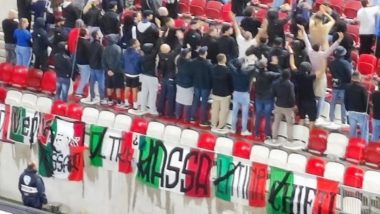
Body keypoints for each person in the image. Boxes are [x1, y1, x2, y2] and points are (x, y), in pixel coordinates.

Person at [299, 24, 344, 119]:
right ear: (319, 48)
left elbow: (306, 41)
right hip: (321, 76)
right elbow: (332, 49)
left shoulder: (310, 52)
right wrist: (339, 40)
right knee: (321, 98)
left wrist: (303, 31)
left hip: (312, 75)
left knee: (313, 97)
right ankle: (317, 116)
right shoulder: (322, 55)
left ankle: (312, 114)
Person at [253, 58, 281, 140]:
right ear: (265, 65)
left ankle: (257, 133)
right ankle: (267, 134)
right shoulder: (269, 74)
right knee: (267, 116)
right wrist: (276, 65)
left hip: (258, 98)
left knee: (258, 115)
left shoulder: (256, 73)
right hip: (268, 98)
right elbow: (280, 74)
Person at [270, 70, 298, 149]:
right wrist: (292, 105)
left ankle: (274, 138)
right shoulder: (290, 84)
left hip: (278, 105)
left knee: (276, 122)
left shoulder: (275, 83)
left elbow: (273, 94)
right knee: (289, 123)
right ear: (289, 76)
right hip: (288, 107)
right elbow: (292, 97)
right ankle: (289, 139)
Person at [229, 56, 256, 136]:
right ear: (243, 64)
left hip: (236, 93)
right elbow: (255, 67)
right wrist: (253, 61)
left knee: (234, 112)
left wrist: (236, 59)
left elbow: (230, 62)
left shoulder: (234, 70)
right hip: (244, 94)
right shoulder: (247, 72)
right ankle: (244, 130)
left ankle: (233, 129)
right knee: (245, 114)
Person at [328, 46, 352, 126]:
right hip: (344, 85)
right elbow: (349, 75)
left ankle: (331, 118)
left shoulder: (331, 63)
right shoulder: (346, 63)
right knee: (343, 103)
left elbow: (331, 72)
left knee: (333, 102)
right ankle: (343, 120)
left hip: (335, 83)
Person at [190, 47, 213, 127]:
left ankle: (192, 117)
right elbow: (211, 75)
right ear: (205, 53)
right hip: (205, 86)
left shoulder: (193, 62)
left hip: (196, 84)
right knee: (204, 103)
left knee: (195, 100)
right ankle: (202, 120)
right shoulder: (208, 64)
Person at [211, 54, 233, 133]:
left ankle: (213, 124)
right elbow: (231, 83)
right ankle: (221, 126)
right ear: (224, 59)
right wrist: (231, 92)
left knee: (215, 110)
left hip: (215, 92)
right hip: (225, 93)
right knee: (223, 111)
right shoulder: (228, 70)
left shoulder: (213, 68)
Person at [136, 43, 159, 115]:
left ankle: (143, 108)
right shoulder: (152, 56)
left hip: (144, 76)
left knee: (144, 92)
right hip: (152, 77)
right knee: (153, 94)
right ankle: (152, 109)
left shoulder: (141, 57)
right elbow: (157, 48)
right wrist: (160, 37)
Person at [345, 72, 369, 141]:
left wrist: (347, 109)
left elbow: (345, 99)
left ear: (352, 78)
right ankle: (364, 146)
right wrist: (367, 112)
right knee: (364, 131)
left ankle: (352, 144)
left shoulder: (347, 87)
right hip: (361, 113)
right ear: (359, 78)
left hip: (351, 111)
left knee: (352, 130)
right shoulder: (362, 89)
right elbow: (365, 102)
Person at [102, 34, 124, 107]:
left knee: (109, 86)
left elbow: (103, 61)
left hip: (108, 72)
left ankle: (110, 100)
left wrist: (108, 70)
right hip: (117, 72)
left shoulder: (105, 48)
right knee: (117, 87)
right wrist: (113, 71)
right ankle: (119, 102)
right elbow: (118, 61)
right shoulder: (118, 48)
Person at [157, 44, 179, 117]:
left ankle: (160, 111)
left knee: (162, 95)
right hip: (170, 78)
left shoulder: (160, 55)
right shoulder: (171, 56)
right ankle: (169, 113)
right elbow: (177, 49)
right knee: (171, 96)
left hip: (163, 77)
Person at [87, 30, 106, 104]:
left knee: (92, 82)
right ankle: (102, 98)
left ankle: (92, 96)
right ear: (97, 36)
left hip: (92, 66)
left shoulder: (90, 44)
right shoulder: (100, 46)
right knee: (101, 83)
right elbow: (102, 57)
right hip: (99, 67)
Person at [175, 48, 193, 121]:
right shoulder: (190, 63)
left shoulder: (179, 60)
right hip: (188, 84)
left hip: (179, 82)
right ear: (187, 54)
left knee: (179, 99)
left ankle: (177, 115)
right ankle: (186, 117)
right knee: (188, 102)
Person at [123, 39, 142, 109]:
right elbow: (139, 63)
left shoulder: (125, 52)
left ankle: (126, 102)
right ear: (134, 44)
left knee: (127, 87)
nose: (139, 43)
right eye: (138, 42)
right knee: (134, 89)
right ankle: (135, 104)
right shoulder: (137, 53)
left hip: (127, 72)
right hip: (135, 74)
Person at [75, 29, 91, 99]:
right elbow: (88, 54)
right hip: (85, 63)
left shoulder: (77, 40)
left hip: (78, 61)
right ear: (85, 34)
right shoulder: (86, 43)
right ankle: (79, 92)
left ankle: (82, 91)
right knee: (84, 79)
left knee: (83, 78)